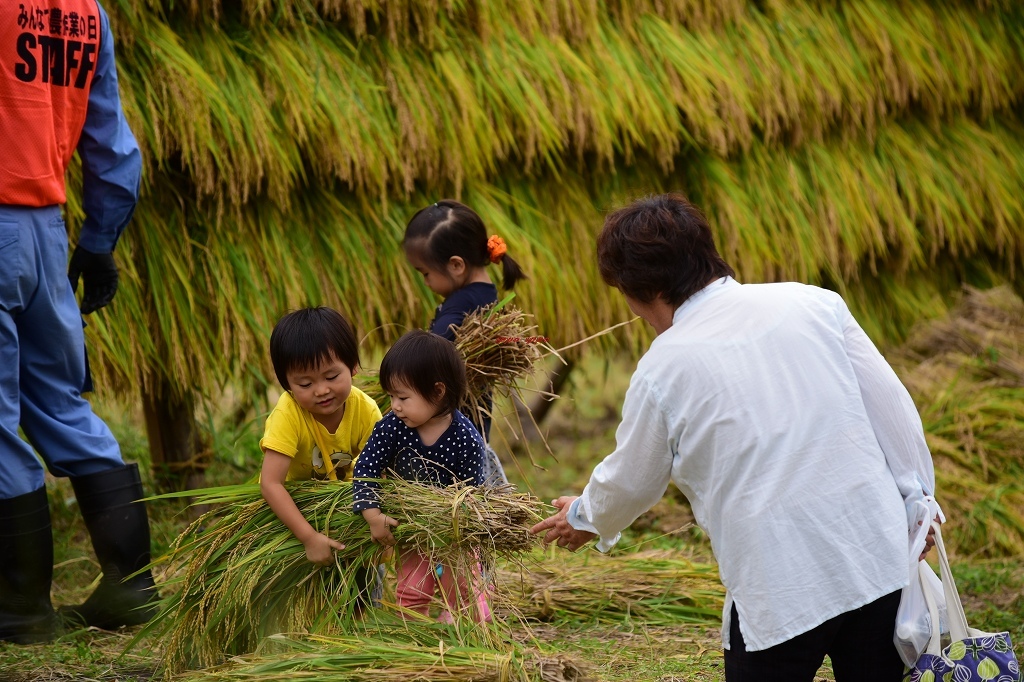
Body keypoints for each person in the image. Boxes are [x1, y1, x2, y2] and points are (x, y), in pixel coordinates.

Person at [530, 194, 940, 682]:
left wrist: (586, 516)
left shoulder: (663, 367)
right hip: (873, 551)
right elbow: (895, 413)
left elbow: (635, 479)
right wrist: (919, 504)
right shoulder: (814, 303)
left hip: (780, 583)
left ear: (639, 290)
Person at [0, 0, 157, 643]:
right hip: (44, 231)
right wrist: (98, 241)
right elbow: (114, 145)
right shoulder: (86, 11)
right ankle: (131, 584)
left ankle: (20, 609)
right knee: (59, 405)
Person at [352, 330, 490, 623]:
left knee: (464, 590)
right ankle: (417, 645)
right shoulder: (391, 428)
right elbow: (365, 469)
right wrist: (373, 516)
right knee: (412, 591)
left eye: (402, 397)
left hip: (456, 531)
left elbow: (472, 496)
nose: (395, 406)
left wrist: (457, 528)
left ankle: (470, 639)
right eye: (391, 396)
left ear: (438, 391)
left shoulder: (466, 439)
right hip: (411, 526)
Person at [259, 307, 382, 607]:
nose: (322, 390)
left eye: (331, 376)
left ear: (353, 366)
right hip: (295, 510)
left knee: (363, 591)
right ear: (287, 383)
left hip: (348, 507)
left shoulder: (365, 410)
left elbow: (378, 473)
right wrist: (308, 537)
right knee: (307, 596)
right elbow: (271, 484)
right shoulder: (288, 414)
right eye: (305, 384)